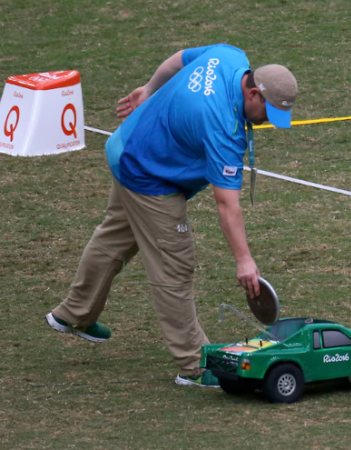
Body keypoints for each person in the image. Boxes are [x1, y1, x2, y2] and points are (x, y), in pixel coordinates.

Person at [45, 43, 298, 387]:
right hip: (147, 174)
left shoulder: (229, 56)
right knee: (174, 262)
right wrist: (244, 261)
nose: (268, 121)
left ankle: (73, 314)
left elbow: (178, 58)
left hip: (128, 144)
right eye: (268, 111)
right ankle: (194, 365)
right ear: (253, 93)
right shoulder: (223, 127)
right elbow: (227, 204)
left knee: (115, 237)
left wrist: (149, 89)